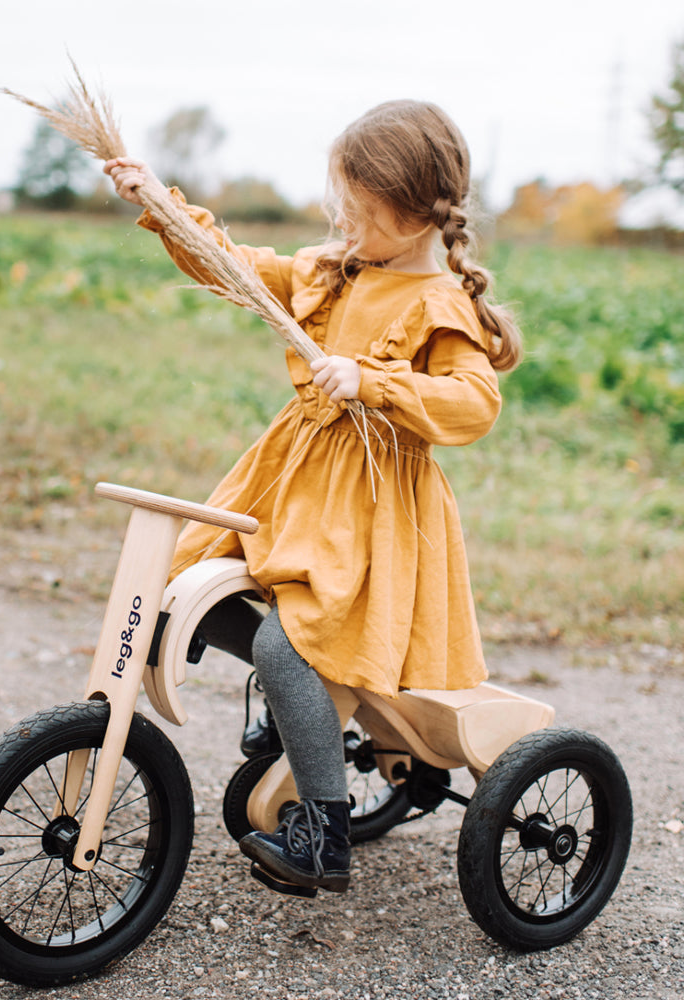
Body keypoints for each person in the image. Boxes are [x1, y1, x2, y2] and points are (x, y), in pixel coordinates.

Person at [103, 99, 521, 895]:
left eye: (360, 210)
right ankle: (300, 702)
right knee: (187, 587)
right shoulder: (336, 271)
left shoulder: (439, 304)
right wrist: (161, 203)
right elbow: (232, 266)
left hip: (367, 512)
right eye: (343, 206)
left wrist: (374, 381)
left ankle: (324, 832)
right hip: (291, 484)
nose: (343, 222)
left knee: (286, 645)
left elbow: (474, 403)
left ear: (413, 210)